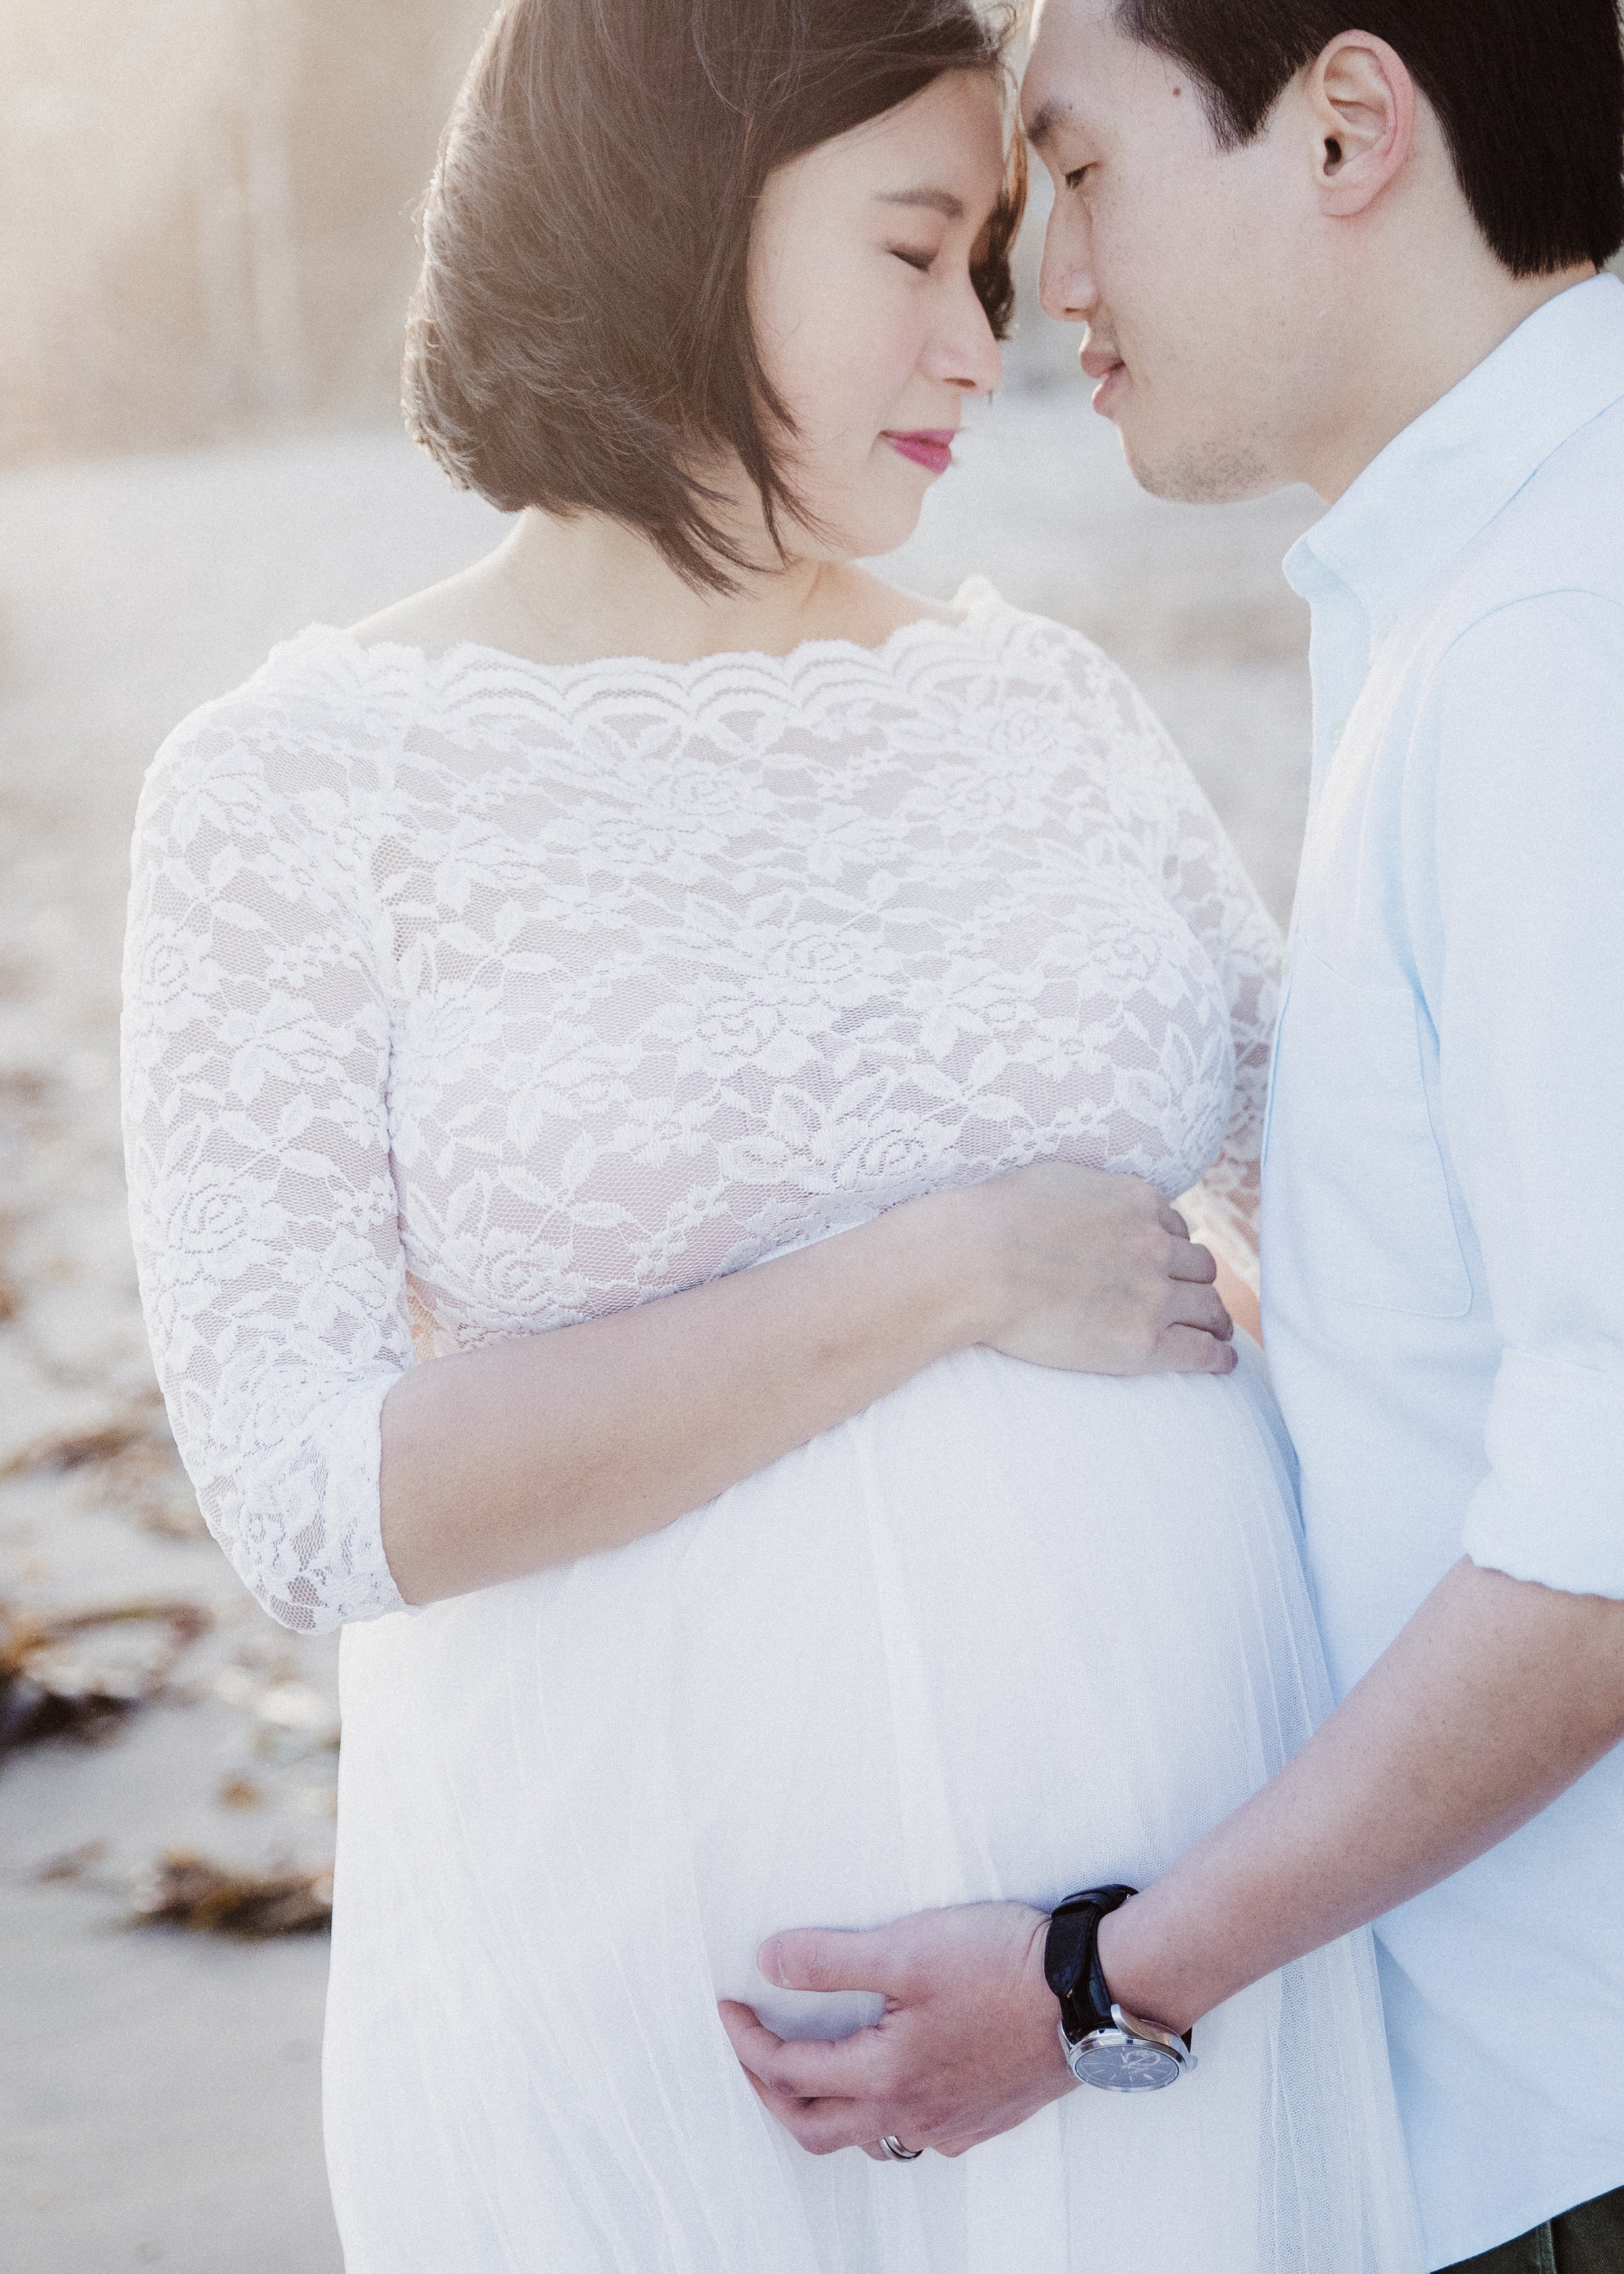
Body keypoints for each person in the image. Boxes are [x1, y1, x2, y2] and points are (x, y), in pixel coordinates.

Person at [119, 1, 1425, 2269]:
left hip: (1159, 1972)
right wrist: (943, 1273)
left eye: (1001, 259)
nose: (985, 338)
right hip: (671, 2005)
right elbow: (317, 1499)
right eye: (917, 250)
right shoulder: (295, 788)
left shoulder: (1040, 708)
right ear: (673, 226)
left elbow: (1356, 1207)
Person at [726, 4, 1624, 2269]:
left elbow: (1606, 1539)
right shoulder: (1478, 577)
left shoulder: (1553, 632)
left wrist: (1098, 1982)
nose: (1048, 298)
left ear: (1344, 126)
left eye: (1082, 177)